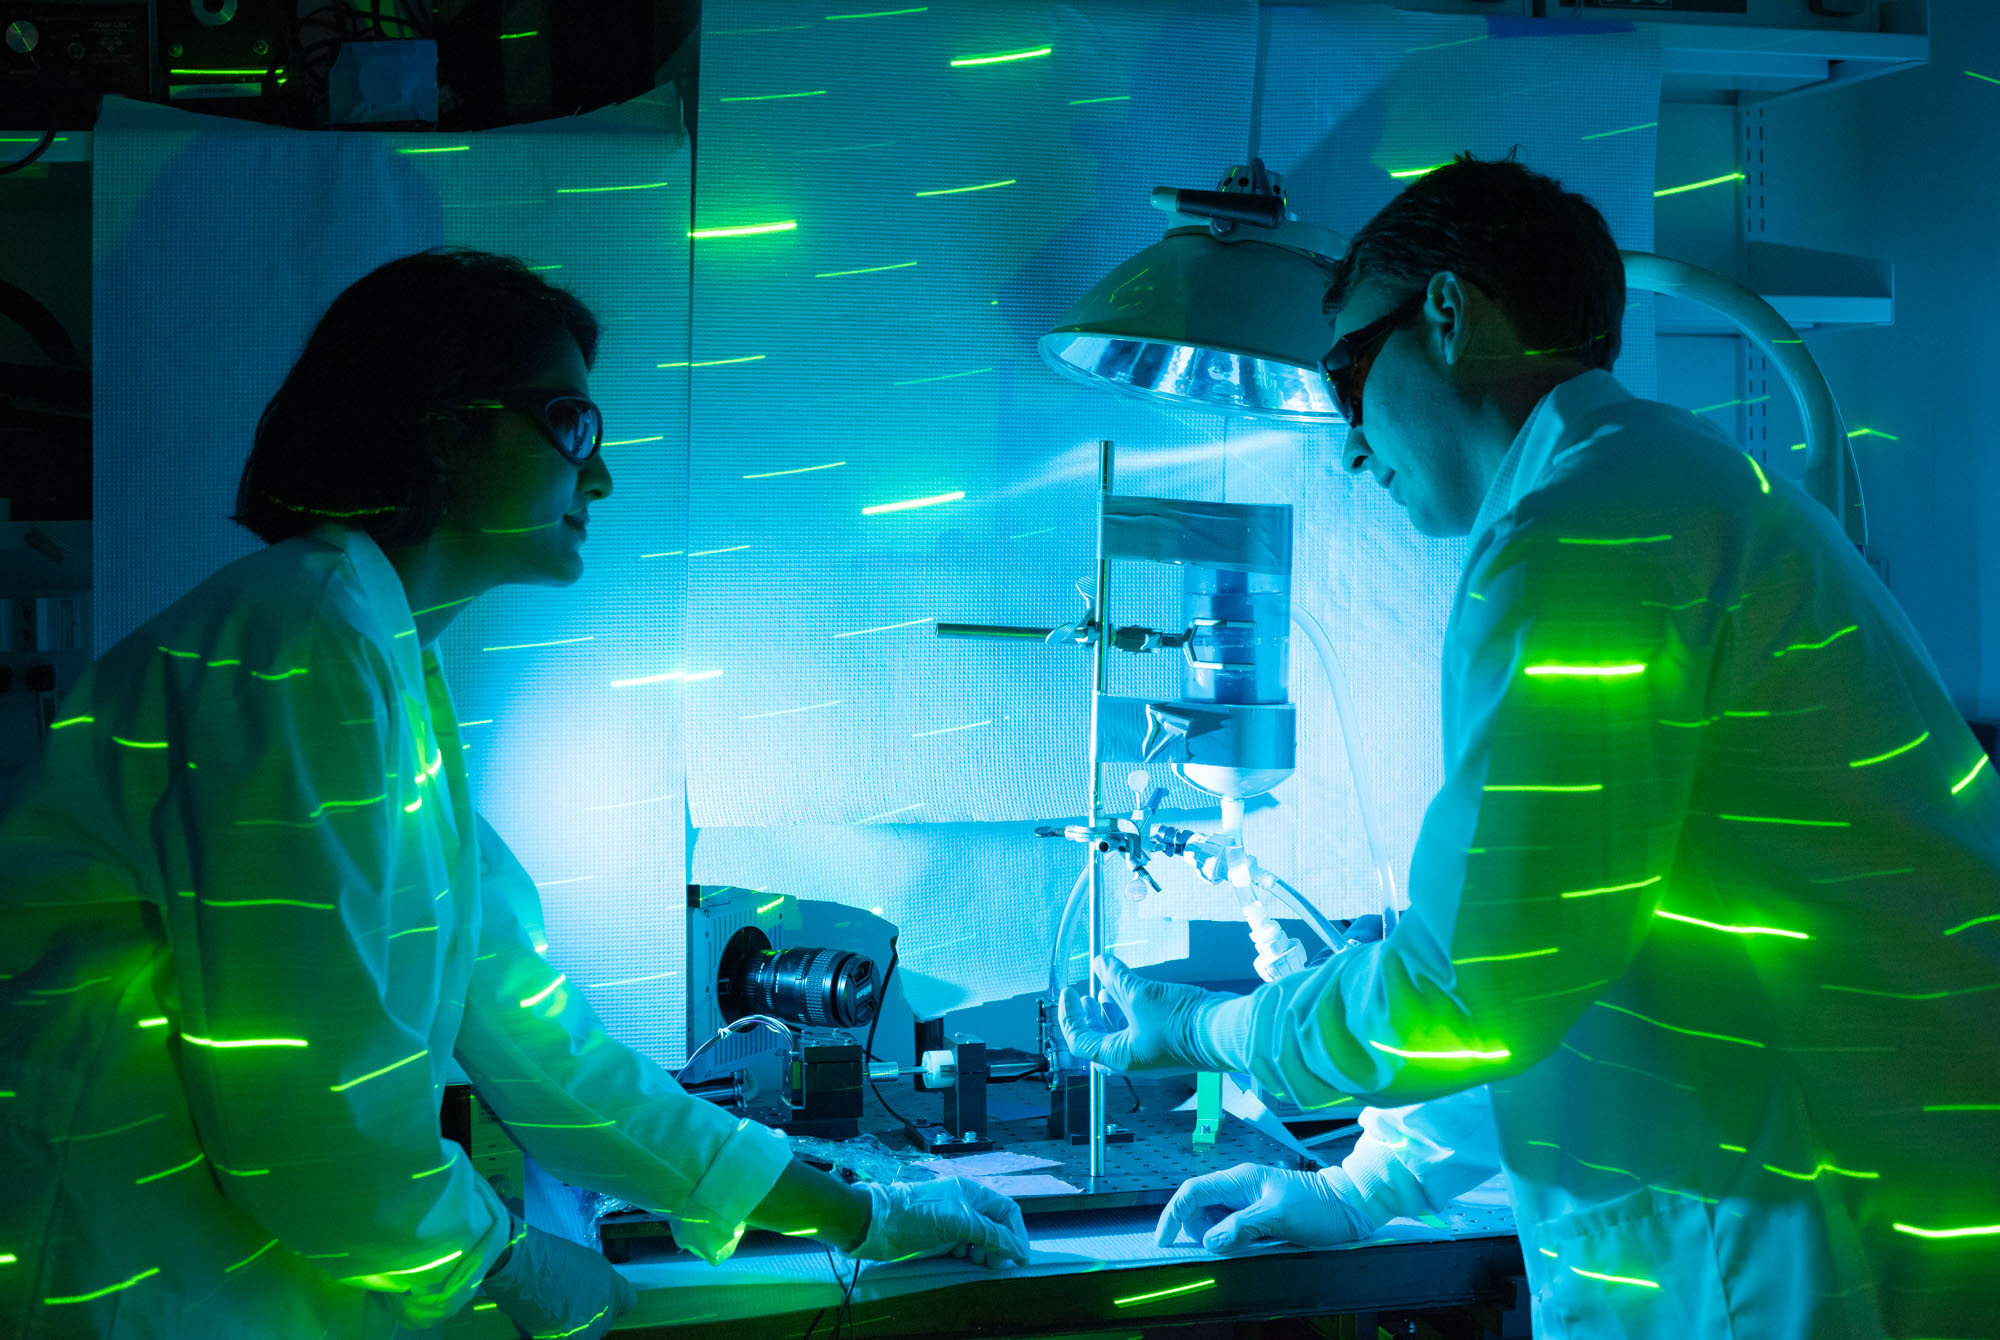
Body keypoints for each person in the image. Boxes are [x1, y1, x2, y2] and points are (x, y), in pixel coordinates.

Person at [0, 249, 1028, 1340]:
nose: (600, 476)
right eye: (571, 423)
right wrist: (502, 1260)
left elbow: (551, 1054)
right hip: (113, 1287)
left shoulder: (377, 664)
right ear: (446, 427)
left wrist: (862, 1211)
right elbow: (305, 1122)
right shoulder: (298, 643)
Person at [1061, 154, 2000, 1339]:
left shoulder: (1584, 535)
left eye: (1348, 371)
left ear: (1447, 314)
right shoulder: (1661, 490)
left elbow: (1474, 990)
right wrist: (1359, 1190)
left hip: (1811, 1247)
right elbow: (1562, 954)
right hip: (1819, 1208)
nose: (1350, 443)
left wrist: (1195, 1027)